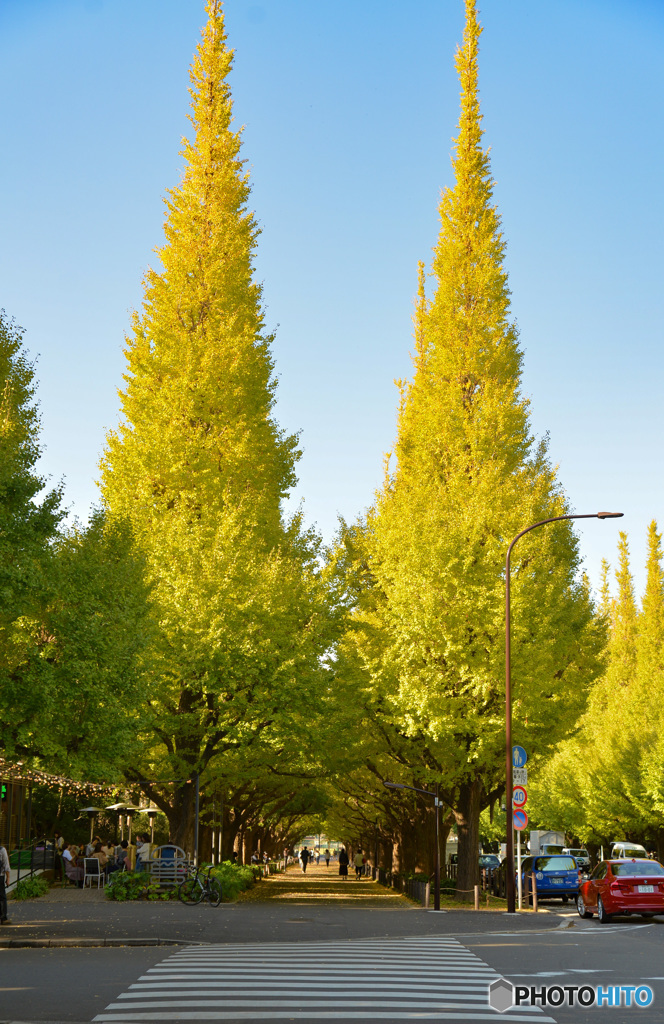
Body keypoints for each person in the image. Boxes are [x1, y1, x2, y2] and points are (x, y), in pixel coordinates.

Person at [0, 841, 11, 924]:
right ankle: (3, 917)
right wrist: (8, 878)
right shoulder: (2, 850)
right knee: (2, 896)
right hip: (0, 875)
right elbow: (6, 865)